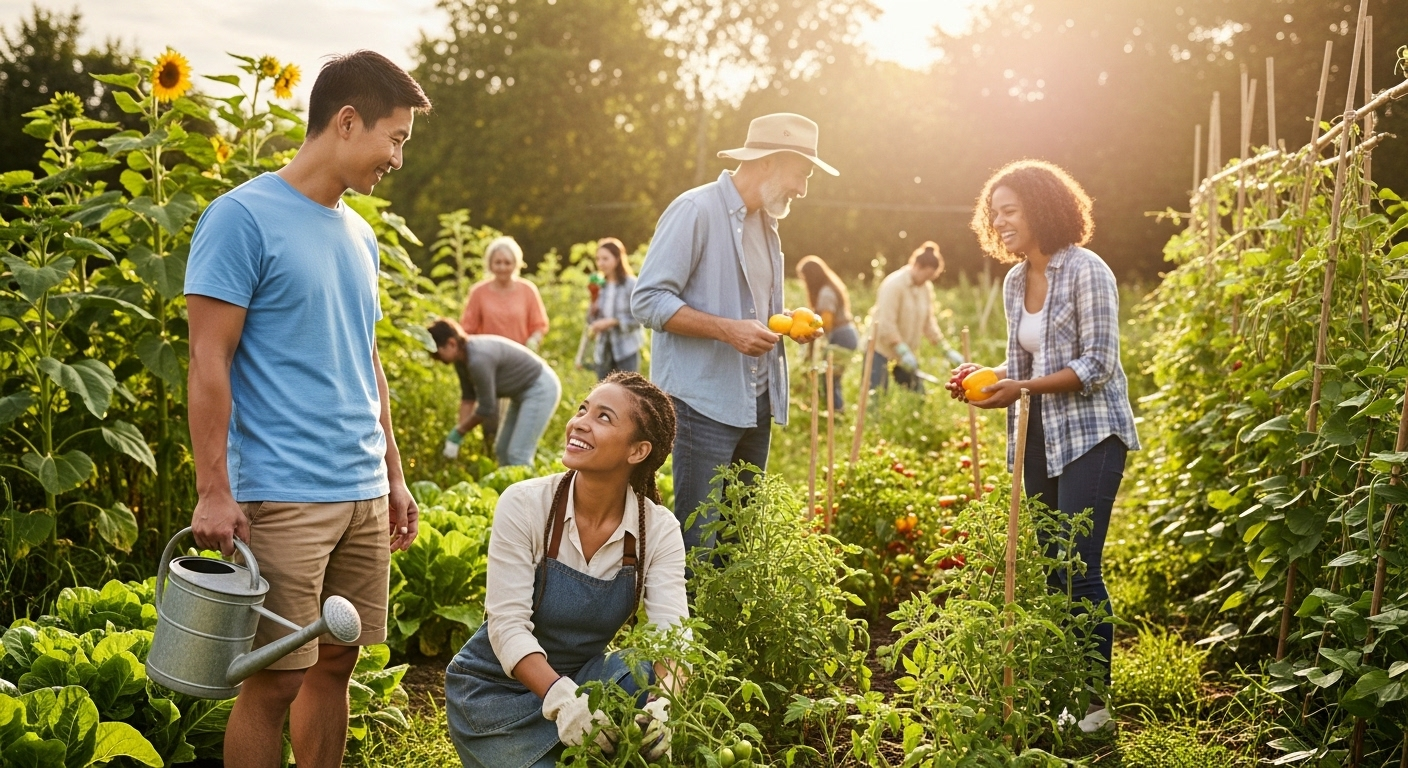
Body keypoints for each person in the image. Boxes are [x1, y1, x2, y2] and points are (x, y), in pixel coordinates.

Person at [184, 51, 429, 768]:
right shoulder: (241, 218)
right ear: (346, 122)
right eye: (396, 137)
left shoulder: (359, 233)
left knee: (335, 665)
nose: (397, 157)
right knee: (274, 680)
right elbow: (208, 363)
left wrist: (394, 473)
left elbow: (366, 359)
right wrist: (213, 490)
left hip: (359, 491)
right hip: (283, 493)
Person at [947, 159, 1140, 734]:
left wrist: (1021, 386)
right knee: (1054, 569)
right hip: (1038, 437)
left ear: (1042, 208)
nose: (999, 221)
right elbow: (1027, 365)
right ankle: (1068, 694)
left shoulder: (1087, 270)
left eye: (1010, 210)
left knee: (1079, 565)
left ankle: (1095, 708)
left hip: (1091, 436)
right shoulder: (1013, 282)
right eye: (994, 213)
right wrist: (987, 378)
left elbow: (1098, 364)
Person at [445, 372, 685, 768]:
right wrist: (562, 699)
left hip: (584, 680)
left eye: (604, 417)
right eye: (582, 409)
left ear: (638, 451)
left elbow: (672, 637)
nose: (579, 422)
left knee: (646, 674)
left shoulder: (655, 530)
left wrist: (666, 703)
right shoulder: (525, 504)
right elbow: (506, 625)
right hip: (494, 696)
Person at [631, 113, 833, 550]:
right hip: (702, 403)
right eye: (801, 175)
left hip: (755, 401)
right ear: (768, 162)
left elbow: (752, 310)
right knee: (698, 539)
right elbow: (647, 301)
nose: (802, 189)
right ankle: (682, 619)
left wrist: (787, 320)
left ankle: (726, 621)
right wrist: (727, 332)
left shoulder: (765, 225)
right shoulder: (695, 210)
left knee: (738, 536)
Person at [429, 319, 562, 468]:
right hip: (520, 393)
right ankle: (511, 491)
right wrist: (458, 435)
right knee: (502, 450)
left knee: (518, 454)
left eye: (437, 353)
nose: (436, 359)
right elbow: (468, 398)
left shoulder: (478, 359)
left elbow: (486, 407)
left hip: (540, 388)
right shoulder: (461, 360)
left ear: (451, 343)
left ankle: (533, 491)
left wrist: (460, 432)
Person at [868, 242, 962, 394]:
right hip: (881, 350)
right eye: (926, 276)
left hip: (907, 356)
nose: (927, 280)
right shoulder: (894, 285)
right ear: (917, 266)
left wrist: (945, 349)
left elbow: (928, 322)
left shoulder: (925, 288)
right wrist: (902, 349)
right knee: (877, 395)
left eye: (931, 277)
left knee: (918, 394)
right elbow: (886, 323)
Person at [460, 236, 550, 349]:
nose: (502, 267)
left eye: (507, 263)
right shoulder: (478, 292)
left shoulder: (528, 290)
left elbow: (539, 326)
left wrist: (533, 341)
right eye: (498, 262)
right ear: (490, 264)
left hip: (521, 356)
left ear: (516, 264)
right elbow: (467, 330)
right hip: (489, 356)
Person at [796, 255, 857, 410]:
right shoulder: (829, 288)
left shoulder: (826, 293)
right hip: (846, 335)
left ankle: (835, 413)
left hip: (841, 337)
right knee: (831, 378)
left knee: (829, 378)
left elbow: (826, 322)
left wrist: (807, 326)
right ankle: (834, 411)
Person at [587, 237, 644, 379]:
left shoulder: (631, 284)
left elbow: (640, 319)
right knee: (603, 394)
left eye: (605, 259)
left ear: (617, 259)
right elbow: (590, 319)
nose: (600, 263)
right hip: (603, 351)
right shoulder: (598, 285)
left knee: (627, 393)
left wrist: (614, 322)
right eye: (598, 259)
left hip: (626, 350)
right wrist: (593, 306)